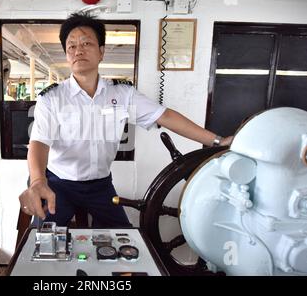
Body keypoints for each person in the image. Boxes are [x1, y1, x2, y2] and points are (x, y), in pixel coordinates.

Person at [19, 12, 233, 228]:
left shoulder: (122, 94)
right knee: (41, 239)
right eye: (71, 46)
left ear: (101, 52)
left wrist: (217, 141)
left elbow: (165, 116)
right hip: (59, 184)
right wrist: (38, 181)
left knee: (125, 241)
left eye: (86, 43)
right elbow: (39, 143)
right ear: (66, 54)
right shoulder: (52, 98)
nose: (78, 50)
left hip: (100, 187)